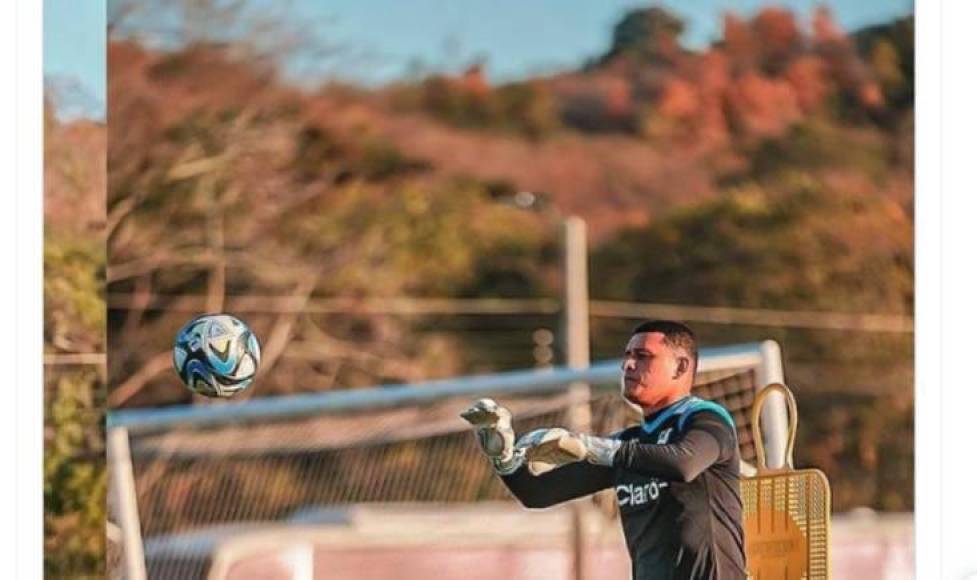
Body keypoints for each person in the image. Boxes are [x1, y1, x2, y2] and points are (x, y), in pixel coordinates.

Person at [461, 320, 746, 580]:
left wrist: (589, 446)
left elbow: (684, 464)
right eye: (627, 356)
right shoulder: (630, 442)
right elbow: (537, 493)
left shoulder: (706, 419)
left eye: (643, 356)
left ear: (681, 367)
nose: (628, 365)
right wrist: (503, 458)